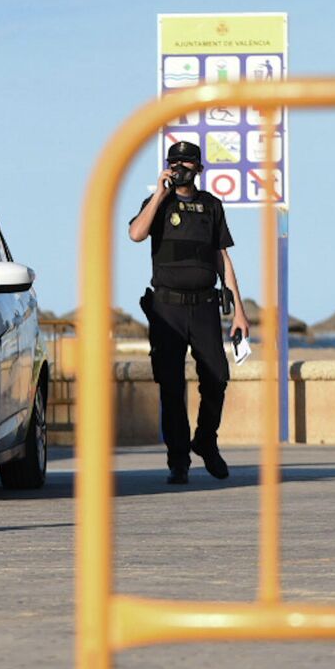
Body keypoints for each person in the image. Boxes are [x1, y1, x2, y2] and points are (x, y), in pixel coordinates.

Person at [128, 139, 249, 484]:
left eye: (186, 163)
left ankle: (205, 440)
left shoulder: (211, 206)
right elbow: (136, 234)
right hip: (167, 308)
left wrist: (239, 310)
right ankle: (177, 460)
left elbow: (223, 258)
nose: (179, 167)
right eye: (174, 162)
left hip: (205, 305)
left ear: (198, 168)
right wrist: (158, 193)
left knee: (217, 377)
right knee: (171, 384)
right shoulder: (158, 204)